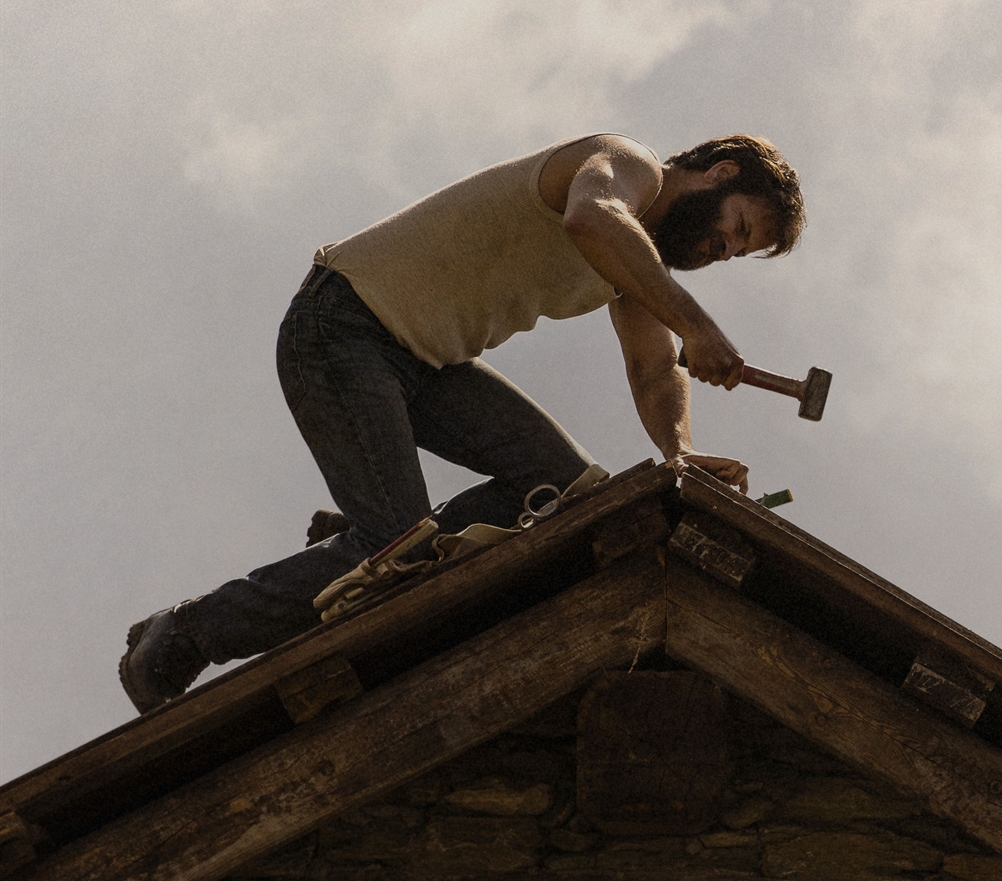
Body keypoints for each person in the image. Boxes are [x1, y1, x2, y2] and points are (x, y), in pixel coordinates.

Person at [120, 132, 805, 712]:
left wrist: (680, 454)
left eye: (737, 252)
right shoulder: (627, 165)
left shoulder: (636, 266)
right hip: (342, 324)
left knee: (566, 490)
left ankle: (376, 535)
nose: (724, 249)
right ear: (721, 172)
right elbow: (590, 216)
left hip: (420, 361)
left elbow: (656, 371)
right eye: (738, 227)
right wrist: (698, 322)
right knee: (397, 552)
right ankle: (188, 631)